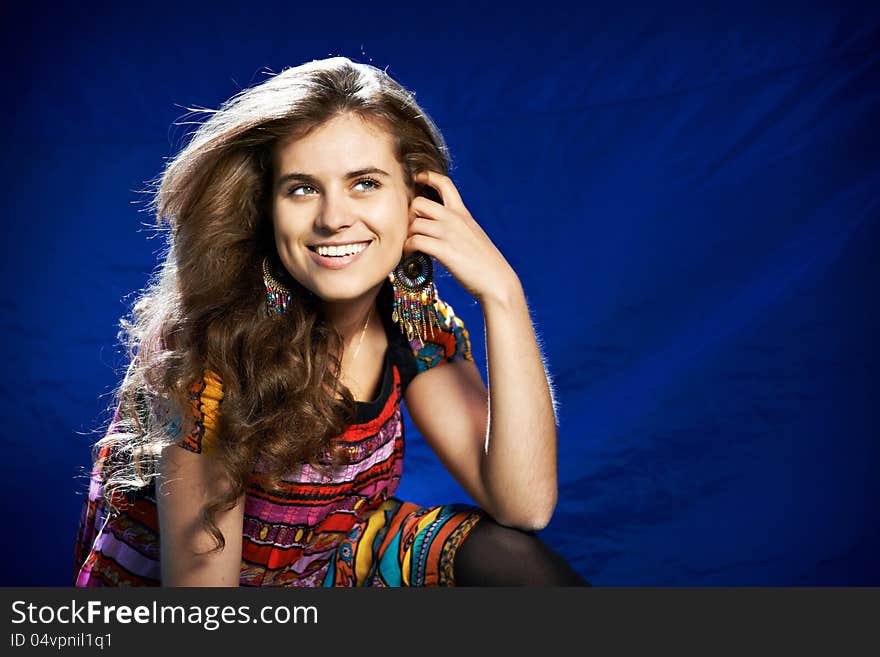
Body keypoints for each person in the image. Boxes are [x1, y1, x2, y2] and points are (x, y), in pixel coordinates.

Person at [73, 56, 589, 587]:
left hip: (322, 569)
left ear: (417, 199)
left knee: (514, 563)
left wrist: (503, 295)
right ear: (264, 209)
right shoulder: (211, 355)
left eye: (365, 183)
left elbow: (524, 504)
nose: (333, 218)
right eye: (302, 188)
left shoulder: (412, 322)